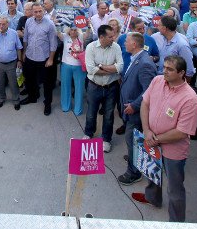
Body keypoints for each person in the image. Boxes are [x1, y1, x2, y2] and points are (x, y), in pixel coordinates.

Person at [136, 55, 197, 223]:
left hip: (173, 151)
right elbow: (145, 104)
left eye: (170, 69)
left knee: (175, 188)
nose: (164, 71)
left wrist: (154, 138)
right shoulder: (157, 81)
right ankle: (152, 198)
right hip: (151, 140)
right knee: (152, 173)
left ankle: (176, 222)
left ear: (182, 73)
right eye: (164, 67)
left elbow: (182, 132)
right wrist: (146, 130)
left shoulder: (190, 98)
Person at [116, 32, 157, 186]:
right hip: (130, 109)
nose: (124, 44)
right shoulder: (137, 58)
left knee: (132, 139)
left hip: (137, 112)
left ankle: (133, 172)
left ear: (134, 44)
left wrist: (134, 105)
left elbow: (149, 91)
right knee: (133, 140)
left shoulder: (145, 63)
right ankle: (135, 157)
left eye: (126, 41)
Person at [83, 24, 123, 153]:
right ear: (101, 37)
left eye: (113, 35)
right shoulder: (90, 47)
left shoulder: (116, 47)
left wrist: (100, 66)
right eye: (110, 36)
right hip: (94, 86)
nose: (113, 38)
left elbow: (120, 67)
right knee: (91, 113)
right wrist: (111, 69)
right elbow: (90, 69)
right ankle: (88, 133)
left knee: (109, 115)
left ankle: (106, 139)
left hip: (111, 87)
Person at [21, 2, 58, 116]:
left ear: (43, 11)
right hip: (30, 56)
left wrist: (51, 59)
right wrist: (24, 53)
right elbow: (26, 38)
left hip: (44, 59)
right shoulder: (28, 21)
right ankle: (32, 97)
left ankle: (47, 103)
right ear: (32, 12)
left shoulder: (50, 24)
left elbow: (53, 43)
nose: (37, 14)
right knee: (30, 79)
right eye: (35, 11)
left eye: (40, 11)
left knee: (47, 83)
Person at [0, 15, 23, 110]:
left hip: (12, 63)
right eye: (0, 24)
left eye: (3, 24)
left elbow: (19, 48)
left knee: (13, 83)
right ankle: (1, 98)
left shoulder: (13, 33)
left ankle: (16, 100)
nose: (1, 26)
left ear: (8, 24)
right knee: (0, 82)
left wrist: (20, 60)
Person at [59, 25, 90, 116]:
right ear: (68, 30)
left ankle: (78, 109)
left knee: (79, 88)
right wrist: (56, 24)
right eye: (71, 30)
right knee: (65, 86)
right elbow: (58, 33)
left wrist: (88, 25)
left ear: (78, 31)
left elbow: (88, 33)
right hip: (66, 65)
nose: (73, 32)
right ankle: (65, 106)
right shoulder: (65, 36)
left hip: (79, 66)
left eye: (75, 30)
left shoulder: (81, 36)